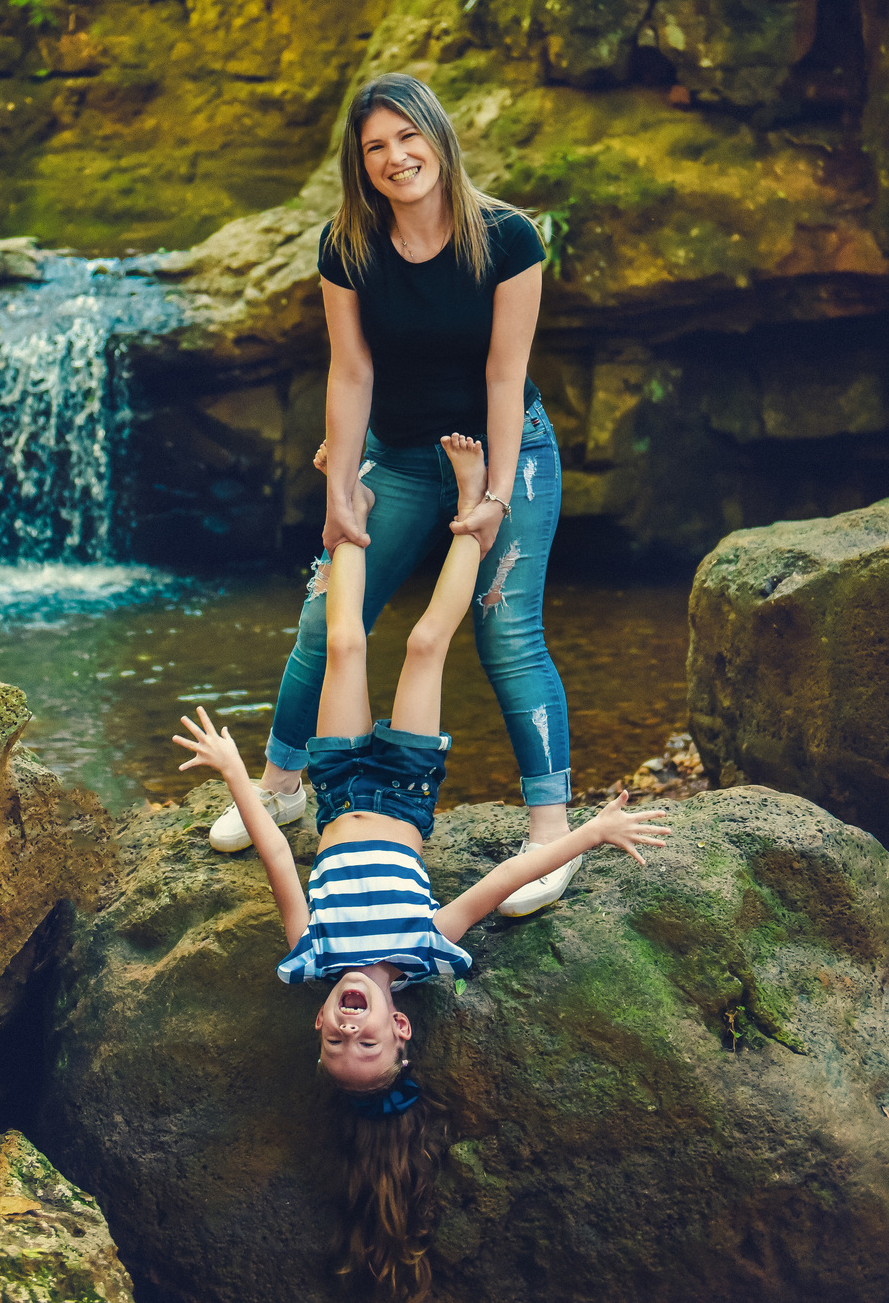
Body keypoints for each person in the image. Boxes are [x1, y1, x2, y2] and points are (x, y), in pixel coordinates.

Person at [174, 437, 670, 1302]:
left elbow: (279, 855)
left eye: (334, 1043)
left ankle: (349, 507)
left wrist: (237, 775)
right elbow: (498, 885)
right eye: (366, 1043)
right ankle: (473, 515)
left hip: (335, 790)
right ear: (401, 1030)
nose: (347, 1030)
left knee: (344, 644)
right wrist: (591, 833)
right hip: (403, 793)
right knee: (426, 645)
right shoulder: (423, 947)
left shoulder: (312, 950)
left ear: (317, 1025)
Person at [209, 71, 575, 916]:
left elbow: (505, 372)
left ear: (437, 138)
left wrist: (493, 498)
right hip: (399, 458)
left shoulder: (508, 238)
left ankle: (551, 836)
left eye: (407, 137)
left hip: (509, 452)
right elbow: (351, 370)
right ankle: (281, 788)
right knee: (324, 618)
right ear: (360, 162)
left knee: (506, 630)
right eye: (375, 146)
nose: (395, 157)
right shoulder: (348, 246)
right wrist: (339, 490)